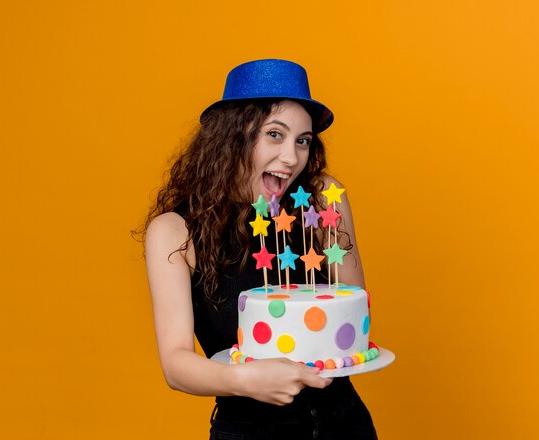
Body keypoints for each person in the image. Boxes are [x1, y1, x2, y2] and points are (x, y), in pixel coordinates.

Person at [138, 59, 377, 439]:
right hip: (249, 431)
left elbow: (353, 309)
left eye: (303, 140)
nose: (291, 158)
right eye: (275, 135)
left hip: (343, 423)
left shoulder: (321, 202)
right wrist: (246, 379)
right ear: (232, 137)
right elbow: (176, 364)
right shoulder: (174, 232)